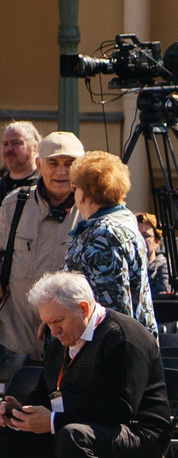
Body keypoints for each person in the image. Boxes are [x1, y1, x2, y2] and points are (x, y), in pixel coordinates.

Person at [0, 271, 172, 458]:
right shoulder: (58, 341)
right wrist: (19, 412)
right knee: (5, 437)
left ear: (82, 308)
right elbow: (45, 394)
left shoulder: (124, 336)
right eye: (48, 323)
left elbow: (120, 409)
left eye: (58, 322)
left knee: (73, 436)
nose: (53, 331)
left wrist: (52, 421)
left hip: (139, 435)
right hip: (77, 431)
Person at [2, 134, 84, 361]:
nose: (61, 171)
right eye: (53, 163)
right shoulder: (13, 204)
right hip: (14, 342)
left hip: (70, 348)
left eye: (70, 163)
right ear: (38, 165)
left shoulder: (91, 209)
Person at [63, 153, 157, 335]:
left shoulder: (104, 234)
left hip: (108, 350)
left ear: (84, 194)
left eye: (75, 187)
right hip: (126, 342)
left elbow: (111, 307)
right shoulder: (124, 224)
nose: (73, 194)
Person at [0, 121, 38, 197]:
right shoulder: (1, 186)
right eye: (5, 144)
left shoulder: (44, 187)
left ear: (34, 146)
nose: (9, 149)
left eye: (16, 143)